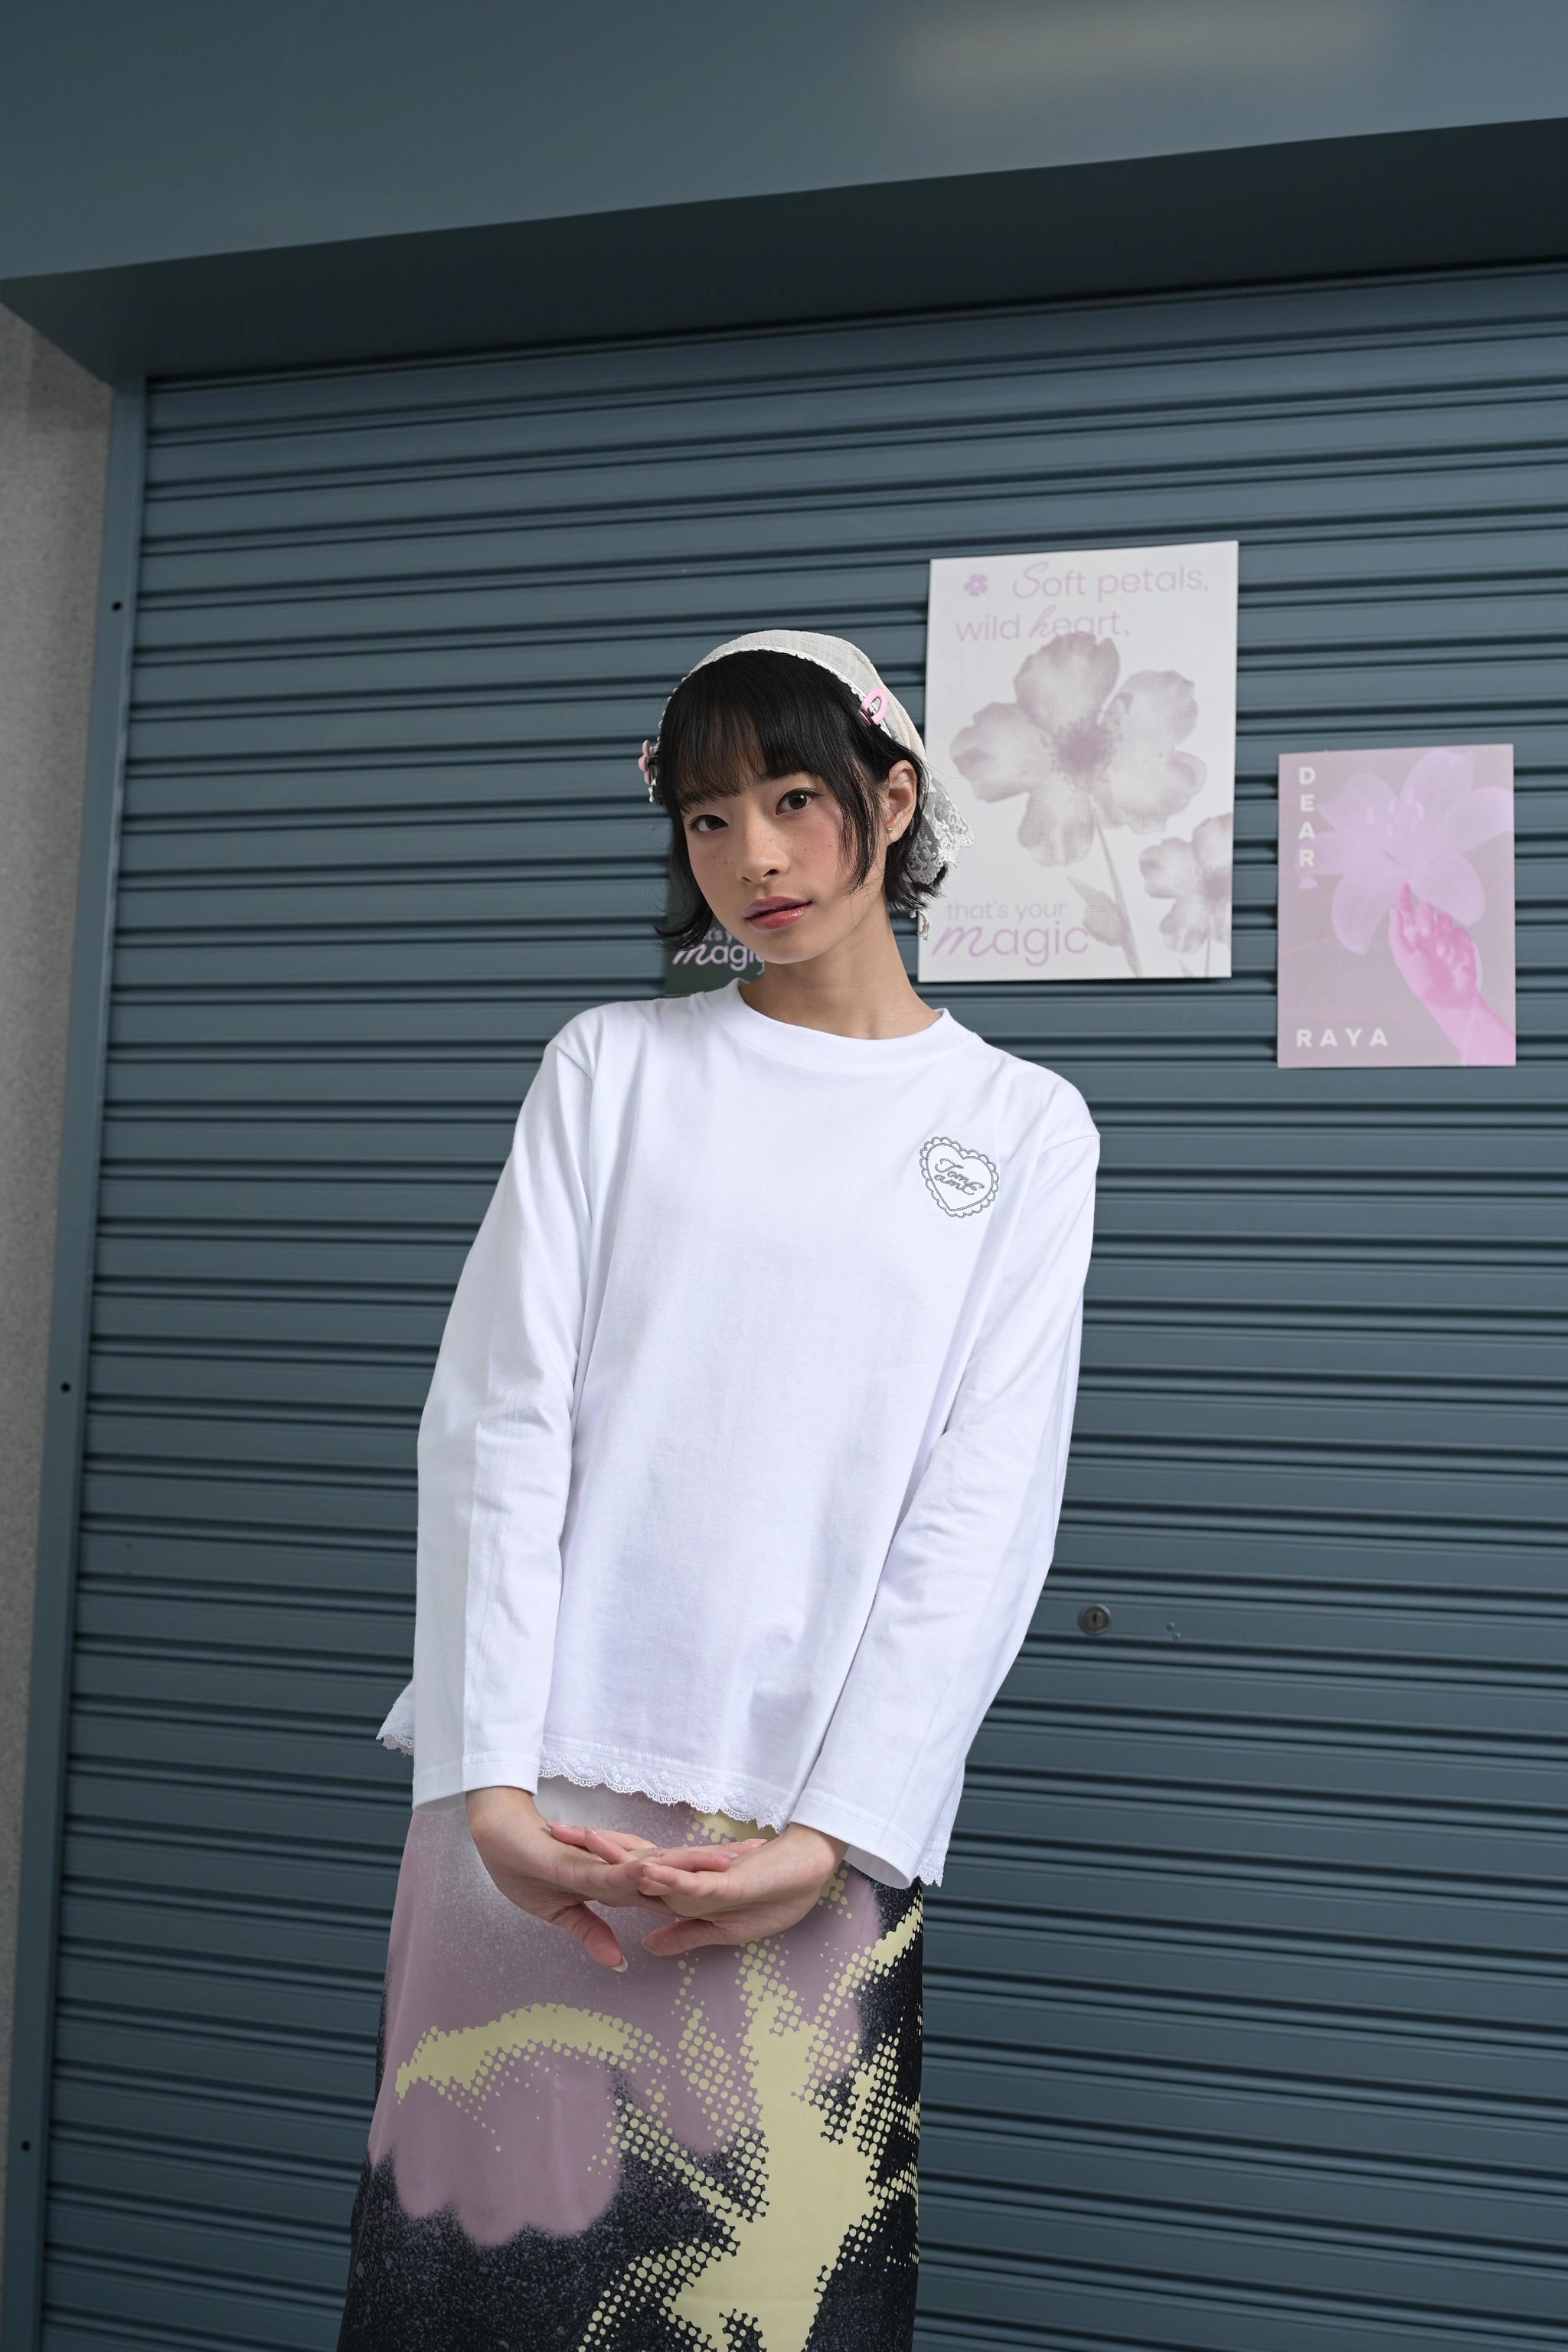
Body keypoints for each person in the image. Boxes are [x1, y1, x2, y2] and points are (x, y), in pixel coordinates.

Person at [337, 630, 1099, 2352]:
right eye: (703, 819)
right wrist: (489, 1788)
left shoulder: (1024, 1127)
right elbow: (496, 1427)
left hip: (803, 1841)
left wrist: (835, 1840)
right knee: (467, 2292)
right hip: (528, 1825)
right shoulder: (612, 1067)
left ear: (891, 804)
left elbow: (980, 1514)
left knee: (767, 2305)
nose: (750, 855)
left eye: (793, 798)